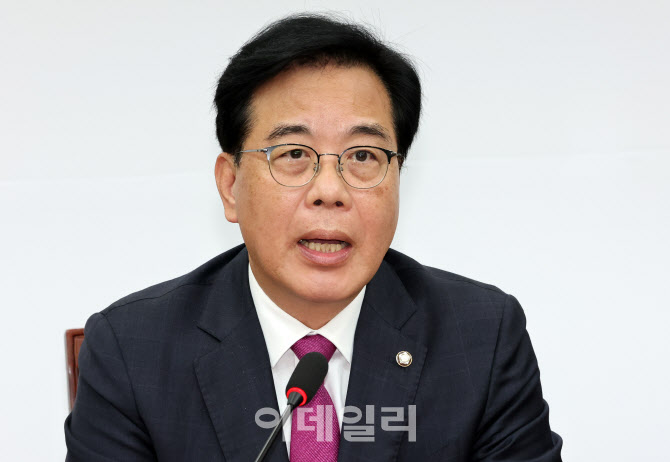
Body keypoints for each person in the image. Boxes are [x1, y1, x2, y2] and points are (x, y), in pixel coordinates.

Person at [64, 13, 562, 462]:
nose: (330, 191)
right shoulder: (133, 352)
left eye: (363, 156)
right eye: (294, 154)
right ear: (231, 186)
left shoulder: (480, 338)